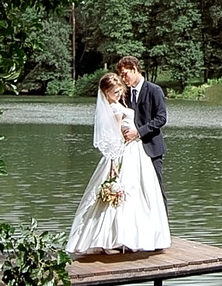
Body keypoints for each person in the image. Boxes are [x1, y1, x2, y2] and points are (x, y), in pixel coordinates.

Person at [69, 70, 169, 257]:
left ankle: (134, 237)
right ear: (106, 93)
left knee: (140, 195)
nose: (119, 94)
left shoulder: (119, 103)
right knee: (126, 195)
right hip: (125, 152)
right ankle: (111, 239)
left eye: (119, 91)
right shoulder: (114, 109)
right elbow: (115, 138)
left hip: (136, 150)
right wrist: (114, 164)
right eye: (115, 92)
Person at [116, 54, 169, 217]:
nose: (123, 78)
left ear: (135, 69)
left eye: (125, 74)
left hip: (152, 147)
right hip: (131, 151)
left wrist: (138, 132)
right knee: (134, 189)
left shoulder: (154, 90)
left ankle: (164, 227)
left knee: (156, 189)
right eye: (121, 75)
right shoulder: (125, 94)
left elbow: (161, 118)